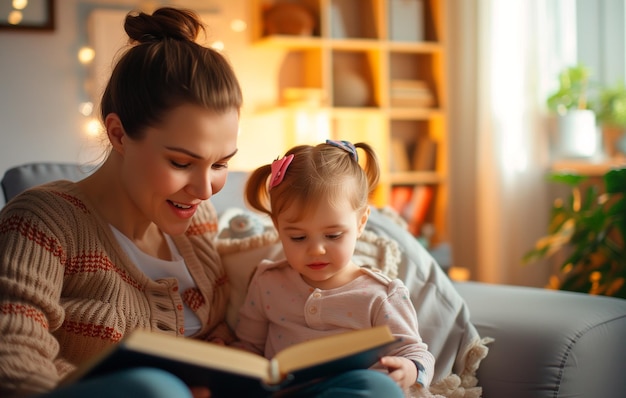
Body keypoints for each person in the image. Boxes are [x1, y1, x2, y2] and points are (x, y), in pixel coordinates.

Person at [0, 7, 406, 398]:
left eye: (220, 164)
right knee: (155, 389)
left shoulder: (197, 223)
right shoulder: (41, 221)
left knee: (371, 388)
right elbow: (14, 361)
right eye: (181, 162)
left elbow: (218, 337)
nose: (206, 189)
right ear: (119, 134)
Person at [236, 140, 436, 396]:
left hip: (345, 391)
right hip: (284, 392)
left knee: (380, 387)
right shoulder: (267, 281)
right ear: (277, 228)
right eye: (298, 237)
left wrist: (408, 368)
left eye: (333, 236)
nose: (316, 250)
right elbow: (249, 346)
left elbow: (416, 352)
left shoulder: (382, 295)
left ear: (361, 222)